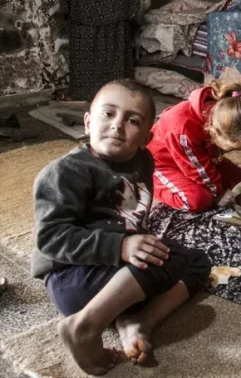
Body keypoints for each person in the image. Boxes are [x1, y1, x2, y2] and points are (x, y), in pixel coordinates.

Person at [31, 80, 212, 375]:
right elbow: (50, 238)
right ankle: (85, 325)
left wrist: (135, 243)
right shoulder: (66, 172)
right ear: (88, 122)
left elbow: (132, 215)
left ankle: (138, 322)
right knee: (163, 261)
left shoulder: (143, 161)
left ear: (145, 138)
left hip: (117, 274)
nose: (117, 126)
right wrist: (121, 246)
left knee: (194, 260)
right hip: (74, 277)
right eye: (108, 114)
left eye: (132, 121)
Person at [148, 81, 241, 213]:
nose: (238, 150)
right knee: (199, 200)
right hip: (162, 164)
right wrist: (218, 193)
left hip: (200, 157)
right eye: (232, 148)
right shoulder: (182, 128)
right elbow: (197, 169)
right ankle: (153, 184)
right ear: (213, 133)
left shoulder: (236, 117)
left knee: (240, 181)